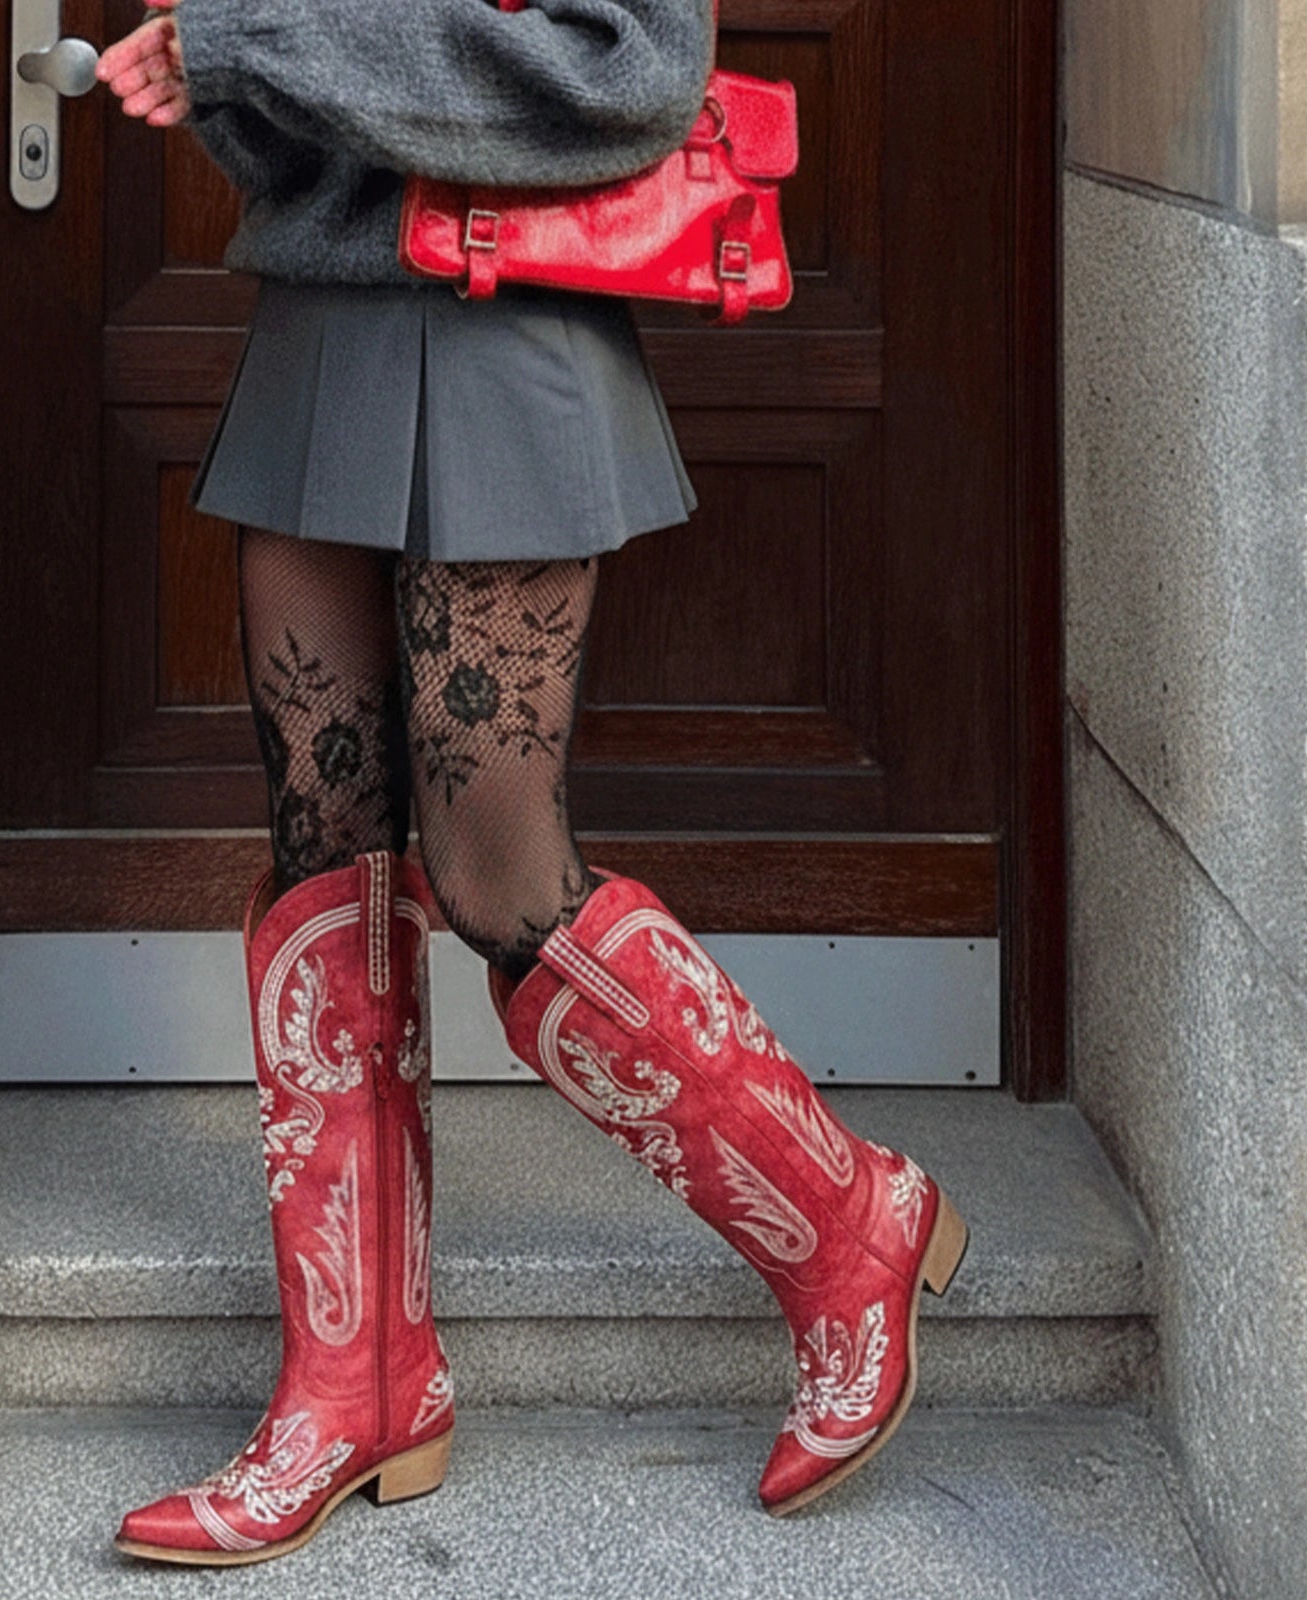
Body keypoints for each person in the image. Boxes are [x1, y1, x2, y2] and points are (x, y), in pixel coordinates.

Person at [97, 0, 969, 1566]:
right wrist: (214, 59)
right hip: (318, 328)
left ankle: (850, 1226)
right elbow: (278, 118)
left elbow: (630, 68)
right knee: (322, 865)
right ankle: (355, 1386)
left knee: (498, 876)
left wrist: (273, 45)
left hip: (509, 329)